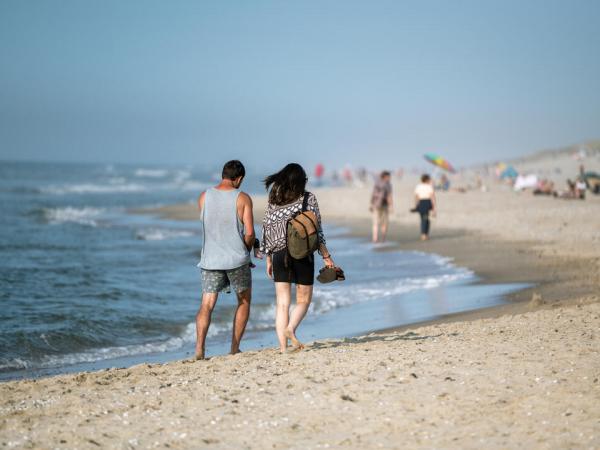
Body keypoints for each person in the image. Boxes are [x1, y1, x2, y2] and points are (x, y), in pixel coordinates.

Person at [259, 163, 335, 353]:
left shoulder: (274, 199)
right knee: (303, 300)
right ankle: (290, 329)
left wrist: (268, 258)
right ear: (301, 182)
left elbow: (266, 229)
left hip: (278, 255)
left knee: (282, 303)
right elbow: (317, 231)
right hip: (302, 254)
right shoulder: (308, 198)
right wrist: (326, 257)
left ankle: (283, 349)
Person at [195, 160, 255, 360]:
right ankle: (234, 348)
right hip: (236, 259)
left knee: (207, 304)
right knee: (244, 301)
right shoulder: (242, 198)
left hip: (210, 260)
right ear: (239, 179)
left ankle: (199, 349)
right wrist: (247, 250)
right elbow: (249, 233)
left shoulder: (204, 197)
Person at [369, 171, 393, 243]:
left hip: (376, 205)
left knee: (375, 222)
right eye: (389, 177)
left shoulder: (377, 183)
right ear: (385, 177)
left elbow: (373, 195)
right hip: (384, 205)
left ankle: (375, 238)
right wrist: (391, 206)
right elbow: (389, 196)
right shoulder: (388, 184)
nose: (390, 178)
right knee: (384, 222)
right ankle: (383, 238)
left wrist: (371, 204)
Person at [413, 174, 436, 241]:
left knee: (423, 218)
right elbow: (432, 197)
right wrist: (434, 207)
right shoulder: (429, 187)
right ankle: (424, 234)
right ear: (427, 179)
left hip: (421, 202)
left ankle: (424, 234)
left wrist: (416, 205)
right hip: (427, 202)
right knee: (425, 219)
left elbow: (416, 196)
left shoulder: (418, 186)